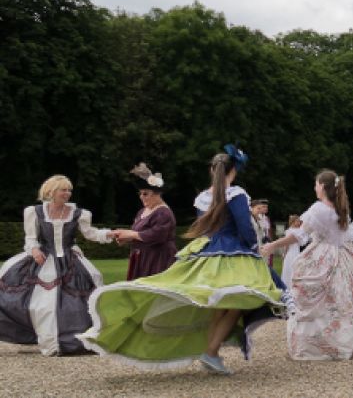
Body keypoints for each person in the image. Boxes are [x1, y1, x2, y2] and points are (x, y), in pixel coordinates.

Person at [78, 145, 283, 375]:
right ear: (234, 170)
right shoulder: (236, 194)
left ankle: (211, 351)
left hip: (208, 250)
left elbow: (206, 229)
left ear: (211, 170)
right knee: (237, 302)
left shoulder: (203, 197)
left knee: (220, 302)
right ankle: (212, 352)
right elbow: (244, 228)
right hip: (233, 250)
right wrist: (253, 248)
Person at [0, 175, 113, 356]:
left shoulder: (79, 213)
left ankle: (78, 340)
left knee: (78, 304)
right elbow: (30, 239)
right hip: (43, 262)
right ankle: (50, 343)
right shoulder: (34, 212)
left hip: (71, 262)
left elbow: (90, 233)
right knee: (43, 305)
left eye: (69, 190)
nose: (67, 193)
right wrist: (34, 250)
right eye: (64, 190)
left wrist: (110, 234)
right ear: (51, 191)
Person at [261, 170, 353, 360]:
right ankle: (340, 342)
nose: (314, 187)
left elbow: (298, 235)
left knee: (313, 298)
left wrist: (273, 245)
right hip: (343, 255)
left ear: (323, 187)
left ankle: (316, 346)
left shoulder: (319, 208)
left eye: (316, 184)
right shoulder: (340, 207)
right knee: (338, 300)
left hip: (323, 255)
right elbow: (347, 235)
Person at [113, 163, 177, 280]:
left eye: (146, 194)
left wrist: (131, 234)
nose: (141, 197)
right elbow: (140, 233)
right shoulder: (142, 211)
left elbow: (157, 235)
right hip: (142, 258)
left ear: (157, 194)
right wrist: (128, 238)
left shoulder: (163, 212)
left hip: (158, 259)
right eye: (140, 193)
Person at [280, 215, 308, 288]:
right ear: (293, 222)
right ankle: (288, 284)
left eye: (299, 221)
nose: (299, 223)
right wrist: (284, 254)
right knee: (289, 268)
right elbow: (286, 244)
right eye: (297, 221)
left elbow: (302, 243)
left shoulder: (299, 231)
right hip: (291, 252)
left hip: (297, 251)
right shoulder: (289, 231)